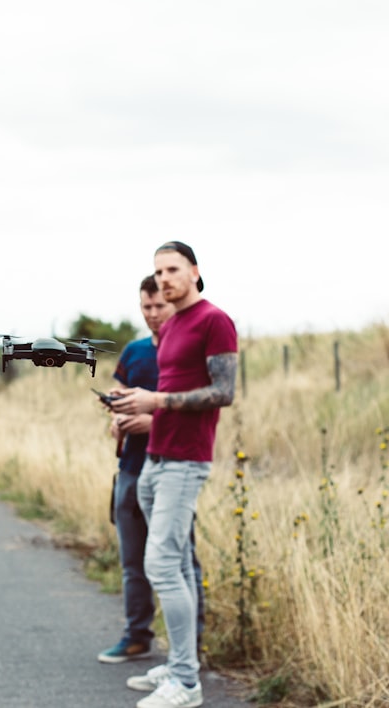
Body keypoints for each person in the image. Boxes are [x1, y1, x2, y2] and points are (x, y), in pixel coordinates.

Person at [111, 241, 238, 708]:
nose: (164, 278)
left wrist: (155, 402)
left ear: (194, 271)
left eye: (172, 269)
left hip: (186, 459)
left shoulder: (213, 320)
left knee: (161, 564)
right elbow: (167, 387)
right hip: (154, 458)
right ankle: (180, 664)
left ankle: (186, 683)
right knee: (177, 563)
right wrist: (129, 406)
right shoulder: (175, 323)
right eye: (158, 271)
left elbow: (224, 392)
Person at [97, 276, 205, 666]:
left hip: (173, 467)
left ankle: (190, 646)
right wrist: (116, 418)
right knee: (133, 561)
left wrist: (152, 422)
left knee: (180, 559)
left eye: (159, 306)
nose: (153, 314)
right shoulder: (135, 352)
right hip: (130, 466)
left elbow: (201, 406)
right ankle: (136, 636)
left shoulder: (187, 352)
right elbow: (122, 396)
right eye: (146, 307)